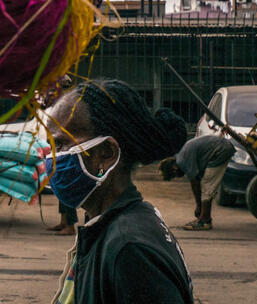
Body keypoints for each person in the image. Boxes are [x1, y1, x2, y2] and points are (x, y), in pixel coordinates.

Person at [45, 79, 192, 304]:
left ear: (106, 153)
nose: (52, 158)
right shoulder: (106, 224)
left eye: (61, 144)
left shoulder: (130, 249)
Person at [159, 135, 236, 231]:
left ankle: (205, 221)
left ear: (174, 169)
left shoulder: (183, 161)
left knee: (207, 186)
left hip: (220, 149)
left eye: (174, 176)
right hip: (221, 146)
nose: (177, 177)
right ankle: (204, 217)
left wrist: (199, 206)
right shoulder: (181, 157)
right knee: (206, 186)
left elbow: (195, 183)